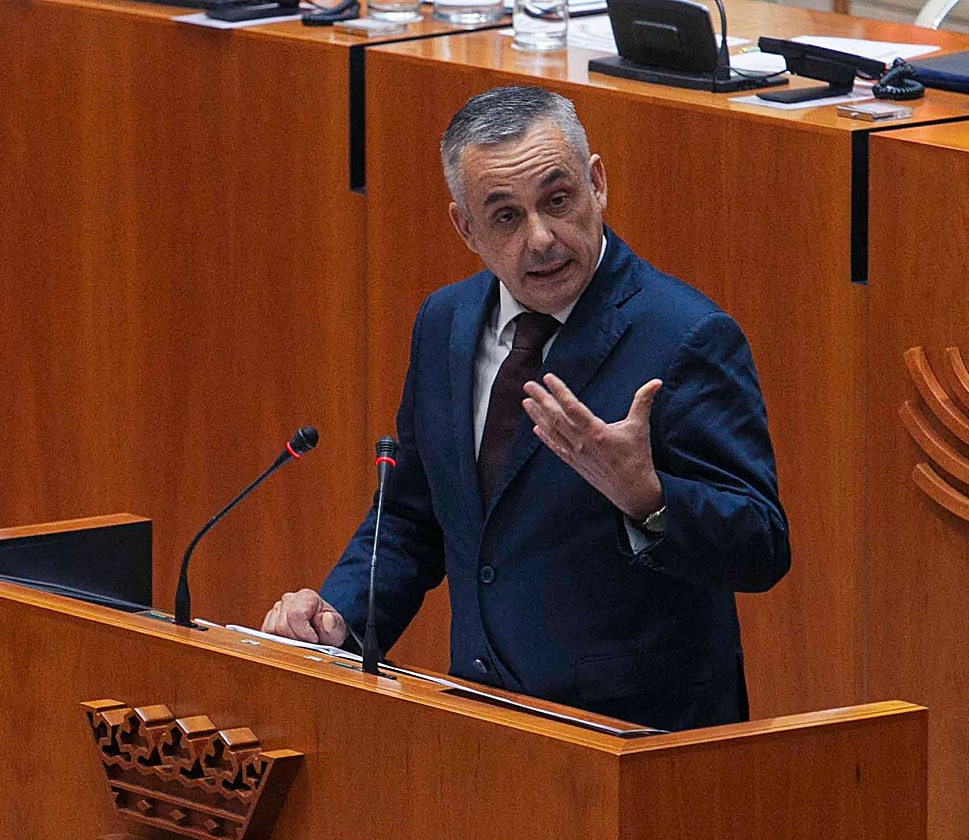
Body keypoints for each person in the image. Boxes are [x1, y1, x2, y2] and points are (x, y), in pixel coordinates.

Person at [262, 85, 790, 731]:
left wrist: (647, 496)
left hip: (639, 737)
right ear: (466, 227)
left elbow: (760, 548)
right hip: (489, 722)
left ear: (597, 185)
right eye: (506, 216)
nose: (541, 239)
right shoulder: (446, 323)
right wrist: (340, 618)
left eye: (558, 200)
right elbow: (411, 516)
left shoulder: (684, 335)